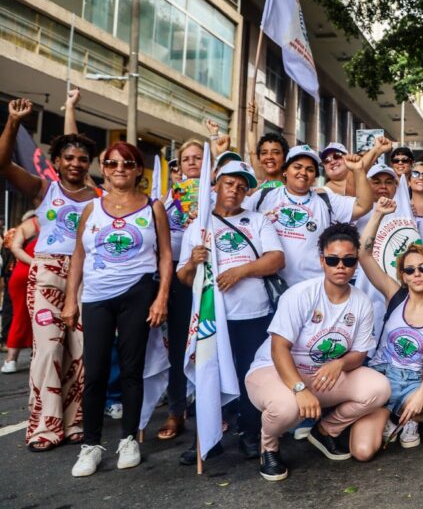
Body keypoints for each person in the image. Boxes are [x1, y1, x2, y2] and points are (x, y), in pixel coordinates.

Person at [245, 222, 391, 481]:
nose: (341, 267)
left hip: (322, 375)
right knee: (287, 407)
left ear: (357, 262)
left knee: (379, 388)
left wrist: (340, 364)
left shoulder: (361, 301)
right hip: (276, 371)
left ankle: (325, 431)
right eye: (333, 260)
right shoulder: (300, 294)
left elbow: (358, 353)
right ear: (322, 260)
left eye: (348, 260)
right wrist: (299, 390)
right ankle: (268, 447)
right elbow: (280, 348)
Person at [64, 141, 172, 477]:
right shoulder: (90, 209)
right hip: (96, 295)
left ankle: (128, 439)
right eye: (112, 163)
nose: (119, 169)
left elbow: (166, 255)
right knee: (94, 372)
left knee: (131, 369)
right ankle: (91, 445)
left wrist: (161, 298)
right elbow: (79, 256)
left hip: (138, 292)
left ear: (139, 169)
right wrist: (71, 299)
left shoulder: (153, 208)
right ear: (103, 167)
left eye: (127, 163)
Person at [0, 96, 100, 451]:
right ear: (55, 162)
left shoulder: (99, 198)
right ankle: (45, 426)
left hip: (86, 276)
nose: (75, 163)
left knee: (80, 350)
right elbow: (2, 164)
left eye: (82, 158)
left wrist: (71, 109)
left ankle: (74, 422)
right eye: (68, 158)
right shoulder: (43, 189)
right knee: (47, 349)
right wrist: (13, 122)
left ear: (89, 164)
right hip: (46, 274)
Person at [175, 161, 286, 462]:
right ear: (216, 186)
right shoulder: (197, 227)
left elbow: (276, 259)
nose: (235, 190)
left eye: (241, 186)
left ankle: (250, 434)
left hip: (253, 314)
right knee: (208, 376)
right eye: (229, 183)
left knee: (250, 376)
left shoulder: (258, 221)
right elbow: (184, 279)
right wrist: (191, 264)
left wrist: (242, 271)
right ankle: (207, 438)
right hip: (212, 318)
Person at [359, 199, 423, 448]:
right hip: (381, 376)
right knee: (364, 450)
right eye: (410, 270)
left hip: (415, 380)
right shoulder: (394, 295)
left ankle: (405, 418)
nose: (416, 274)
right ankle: (388, 414)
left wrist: (421, 396)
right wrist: (378, 214)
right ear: (403, 276)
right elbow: (362, 253)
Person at [245, 145, 372, 287]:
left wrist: (358, 170)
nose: (303, 172)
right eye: (297, 167)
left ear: (315, 177)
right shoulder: (264, 196)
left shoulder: (325, 199)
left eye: (310, 169)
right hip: (270, 288)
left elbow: (363, 205)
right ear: (286, 171)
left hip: (312, 288)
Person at [156, 137, 206, 442]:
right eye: (185, 158)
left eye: (197, 157)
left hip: (212, 277)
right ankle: (176, 411)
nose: (190, 162)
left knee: (209, 345)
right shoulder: (165, 199)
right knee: (177, 346)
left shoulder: (220, 194)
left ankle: (212, 409)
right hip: (177, 278)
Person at [2, 213, 37, 373]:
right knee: (37, 316)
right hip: (34, 274)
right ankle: (16, 359)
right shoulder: (49, 224)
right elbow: (14, 248)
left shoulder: (27, 225)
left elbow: (15, 248)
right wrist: (38, 263)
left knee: (21, 315)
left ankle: (12, 360)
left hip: (23, 274)